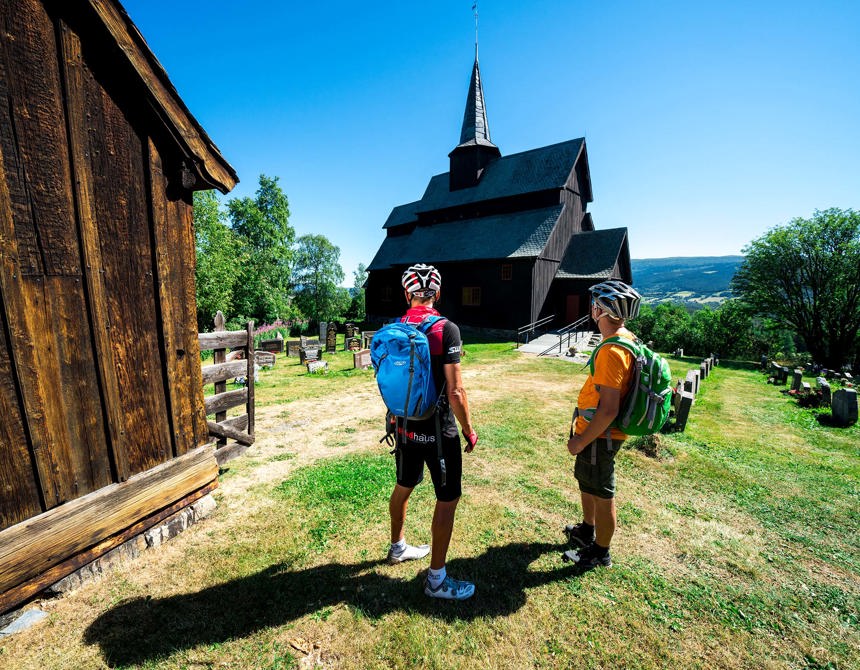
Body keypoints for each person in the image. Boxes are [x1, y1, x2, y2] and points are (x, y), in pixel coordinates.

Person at [386, 263, 479, 600]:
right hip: (439, 431)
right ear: (437, 293)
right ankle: (436, 581)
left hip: (404, 425)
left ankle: (398, 546)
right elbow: (455, 391)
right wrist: (469, 430)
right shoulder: (445, 329)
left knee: (404, 485)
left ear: (407, 294)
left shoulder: (396, 327)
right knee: (447, 498)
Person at [564, 279, 642, 571]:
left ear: (602, 309)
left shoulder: (612, 352)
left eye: (594, 304)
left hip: (600, 435)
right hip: (596, 433)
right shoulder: (626, 340)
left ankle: (600, 551)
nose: (591, 309)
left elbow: (608, 409)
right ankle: (587, 530)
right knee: (589, 482)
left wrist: (581, 441)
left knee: (601, 490)